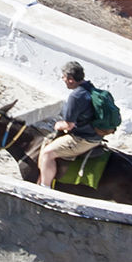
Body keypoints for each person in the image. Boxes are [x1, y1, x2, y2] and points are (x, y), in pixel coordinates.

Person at [38, 61, 104, 190]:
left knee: (47, 153)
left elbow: (68, 125)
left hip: (83, 139)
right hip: (96, 135)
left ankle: (44, 188)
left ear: (70, 80)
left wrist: (58, 125)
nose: (63, 79)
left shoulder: (76, 96)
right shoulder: (90, 88)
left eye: (64, 77)